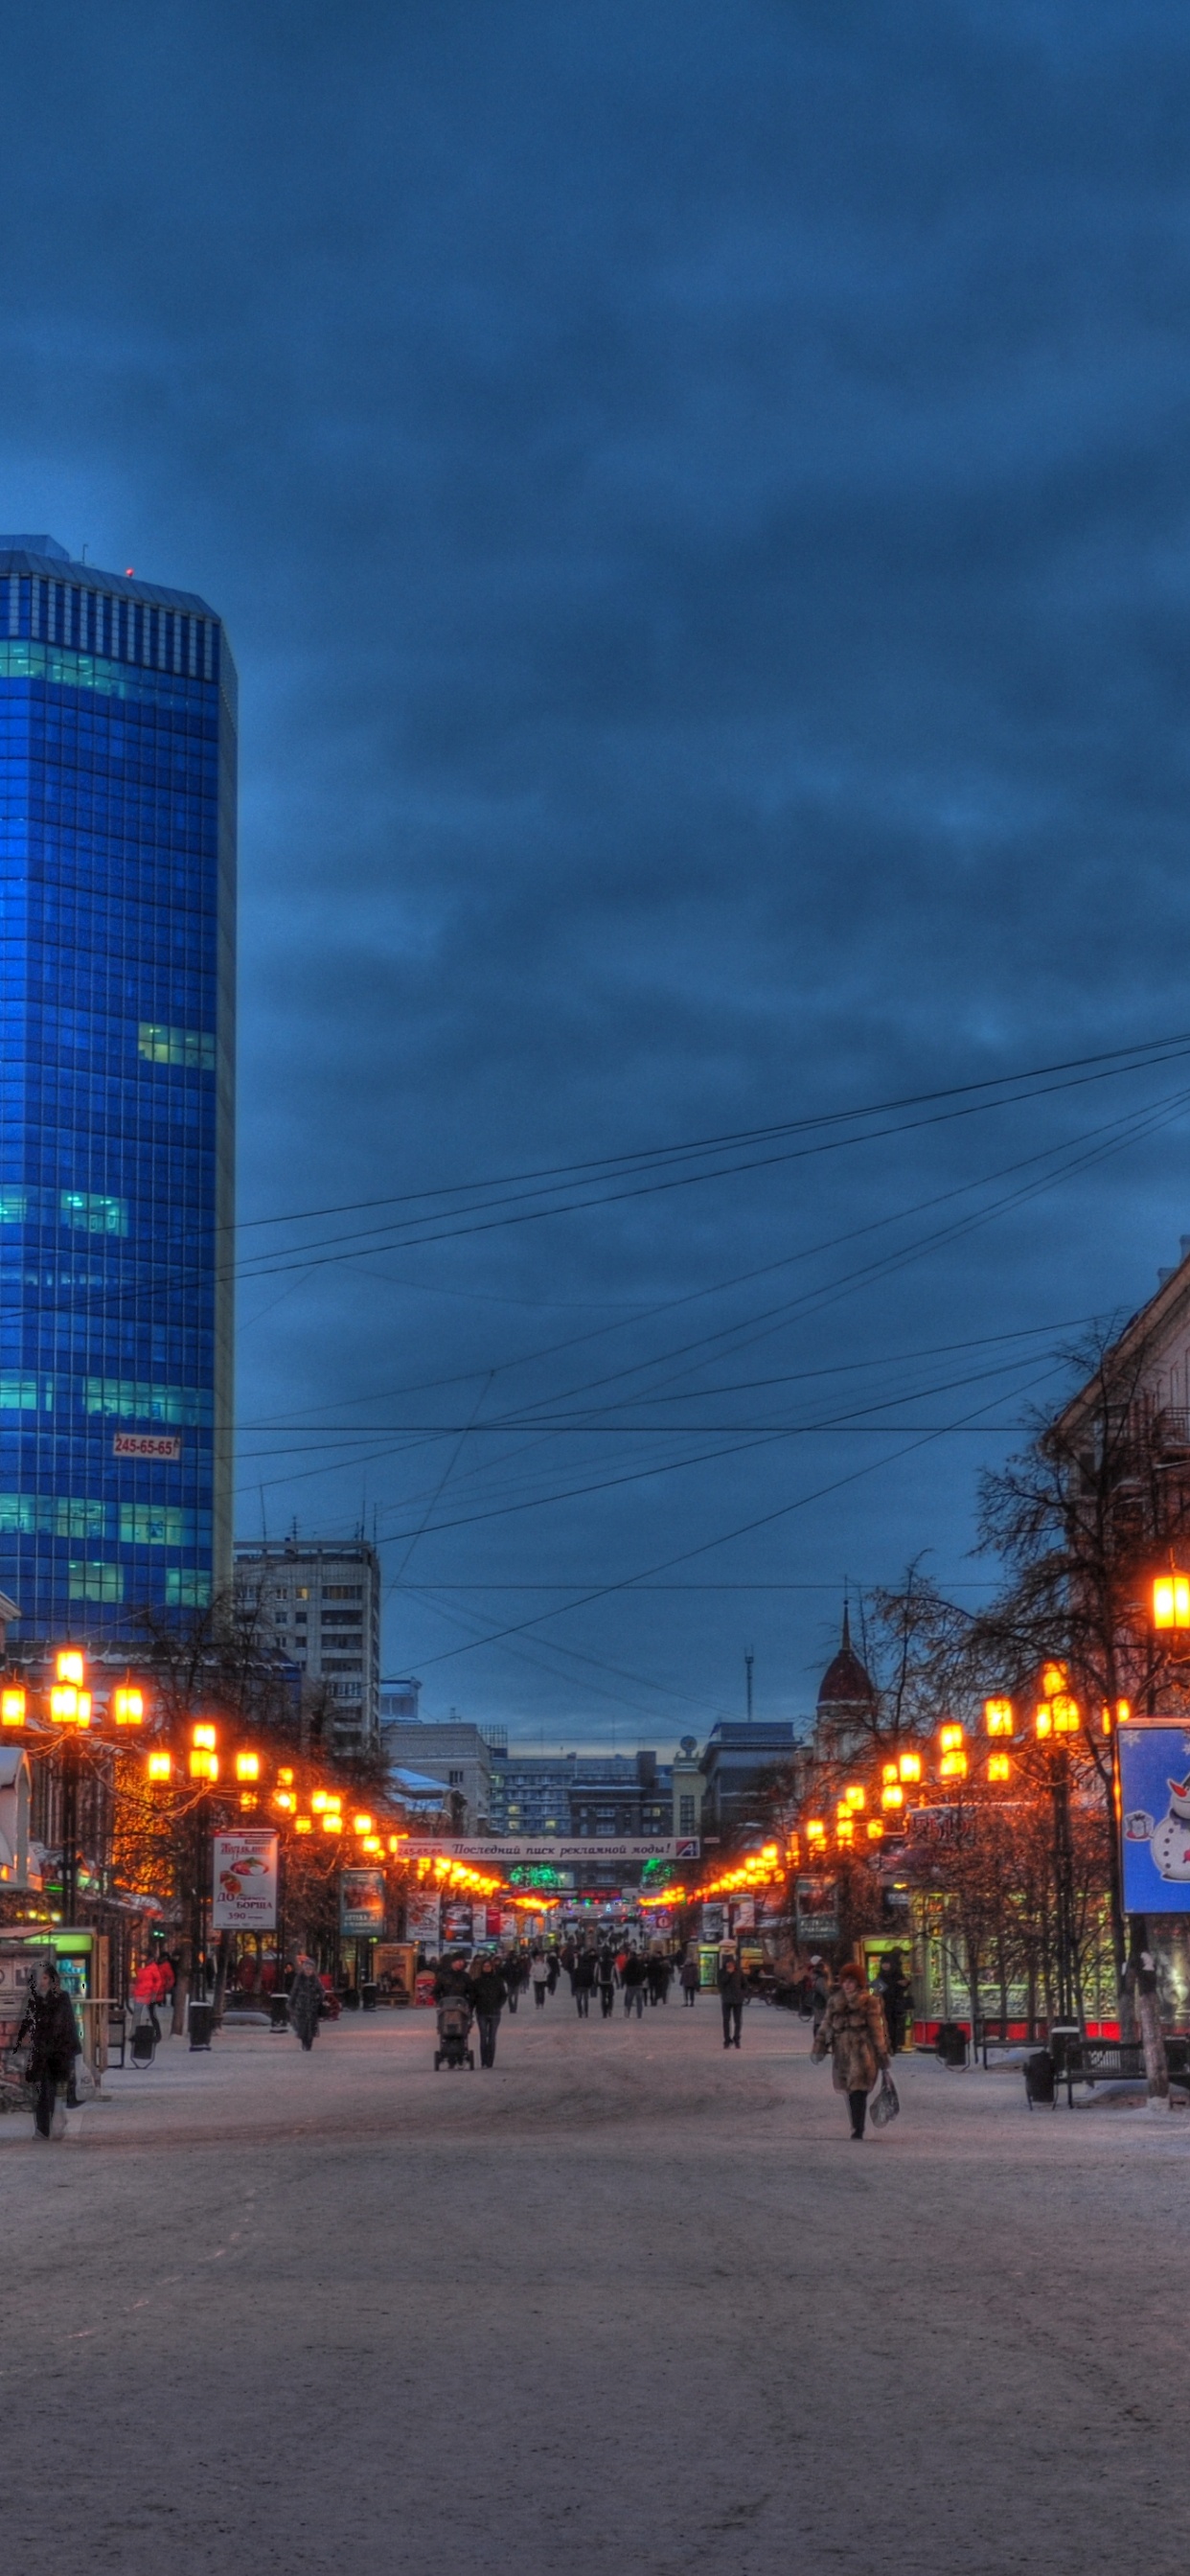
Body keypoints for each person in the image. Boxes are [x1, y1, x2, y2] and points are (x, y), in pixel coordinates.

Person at [812, 1962, 891, 2139]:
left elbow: (877, 2030)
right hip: (842, 2051)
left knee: (859, 2090)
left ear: (859, 1983)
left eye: (851, 1981)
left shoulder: (869, 2002)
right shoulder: (835, 2001)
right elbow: (826, 2024)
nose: (847, 1985)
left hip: (862, 2051)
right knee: (849, 2090)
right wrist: (820, 2045)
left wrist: (881, 2052)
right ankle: (856, 2124)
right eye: (844, 1981)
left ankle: (858, 2128)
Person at [18, 1961, 80, 2139]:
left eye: (45, 1977)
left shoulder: (61, 1998)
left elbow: (65, 2025)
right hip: (41, 2052)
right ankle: (43, 2128)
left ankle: (49, 2127)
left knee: (52, 2091)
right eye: (40, 1978)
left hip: (57, 2053)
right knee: (41, 2091)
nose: (42, 1981)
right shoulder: (35, 1999)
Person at [469, 1952, 509, 2068]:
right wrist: (470, 2012)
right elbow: (473, 1998)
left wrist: (499, 2005)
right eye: (484, 1966)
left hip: (495, 2012)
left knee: (491, 2037)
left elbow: (503, 1995)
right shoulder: (477, 1982)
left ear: (492, 1967)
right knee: (483, 2037)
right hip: (481, 2012)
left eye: (488, 1966)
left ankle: (490, 2060)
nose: (486, 1968)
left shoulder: (497, 1981)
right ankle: (483, 2061)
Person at [874, 1950, 910, 2054]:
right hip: (885, 2003)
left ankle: (896, 2044)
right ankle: (890, 2045)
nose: (885, 1966)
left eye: (887, 1963)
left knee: (896, 2024)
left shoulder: (897, 1973)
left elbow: (904, 1984)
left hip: (896, 2002)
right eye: (883, 1963)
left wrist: (903, 1984)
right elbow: (877, 1990)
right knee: (888, 2025)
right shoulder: (880, 1975)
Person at [287, 1952, 323, 2051]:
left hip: (312, 2008)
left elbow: (321, 1991)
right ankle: (304, 2043)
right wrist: (291, 2003)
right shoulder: (299, 1979)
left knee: (311, 2027)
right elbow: (294, 1991)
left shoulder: (315, 1980)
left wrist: (318, 1996)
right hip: (301, 2007)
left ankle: (309, 2044)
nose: (308, 1971)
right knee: (302, 2027)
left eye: (310, 1969)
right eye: (307, 1969)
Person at [131, 1953, 165, 2041]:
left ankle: (158, 2034)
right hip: (140, 1993)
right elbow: (136, 1977)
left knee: (152, 2015)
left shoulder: (152, 1967)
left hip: (149, 1995)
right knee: (137, 2015)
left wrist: (154, 1991)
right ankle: (134, 2033)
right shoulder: (139, 1966)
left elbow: (158, 1980)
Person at [718, 1945, 744, 2050]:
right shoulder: (721, 1972)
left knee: (738, 2021)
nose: (730, 1965)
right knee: (726, 2020)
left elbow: (744, 1984)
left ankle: (737, 2038)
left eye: (731, 1963)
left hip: (738, 1999)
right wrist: (728, 1974)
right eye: (728, 1963)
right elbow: (720, 1984)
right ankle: (727, 2040)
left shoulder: (739, 1972)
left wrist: (743, 1993)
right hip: (726, 1999)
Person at [621, 1948, 648, 2018]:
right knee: (639, 2000)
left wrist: (626, 1981)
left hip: (630, 1984)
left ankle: (627, 2013)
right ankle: (639, 2014)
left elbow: (625, 1973)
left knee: (629, 2000)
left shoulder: (628, 1963)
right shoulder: (640, 1963)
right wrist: (641, 1979)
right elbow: (644, 1973)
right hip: (639, 1984)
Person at [574, 1947, 597, 2017]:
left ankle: (580, 2012)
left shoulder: (577, 1970)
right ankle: (586, 2012)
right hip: (586, 1986)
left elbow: (574, 1978)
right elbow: (591, 1978)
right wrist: (590, 1985)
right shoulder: (589, 1970)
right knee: (586, 2000)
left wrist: (575, 1986)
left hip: (579, 1986)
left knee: (578, 2000)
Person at [596, 1945, 618, 2017]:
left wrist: (596, 1981)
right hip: (610, 1982)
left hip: (602, 1982)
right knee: (610, 1996)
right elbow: (616, 1972)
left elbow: (595, 1972)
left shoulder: (599, 1963)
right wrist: (618, 1982)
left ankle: (604, 2012)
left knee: (603, 1997)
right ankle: (610, 2009)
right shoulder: (613, 1963)